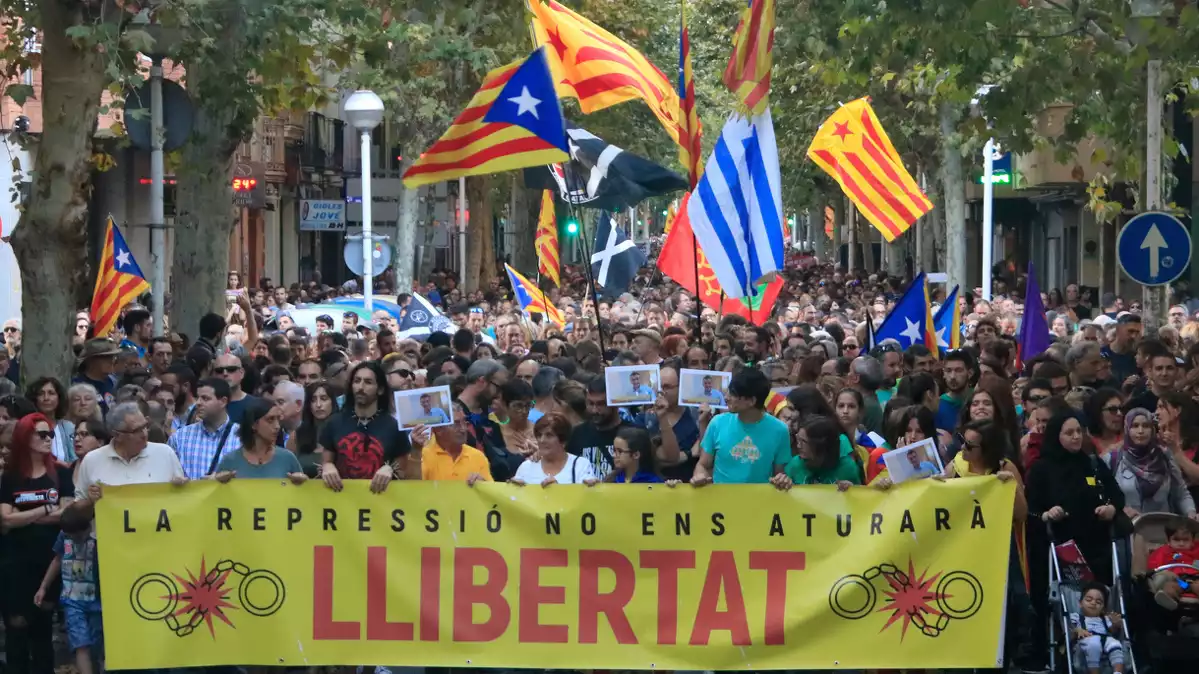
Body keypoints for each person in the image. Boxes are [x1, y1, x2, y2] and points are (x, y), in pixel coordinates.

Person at [0, 414, 75, 674]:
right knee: (16, 628)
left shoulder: (62, 472)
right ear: (25, 437)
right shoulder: (11, 477)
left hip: (49, 560)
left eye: (50, 434)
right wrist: (44, 508)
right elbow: (5, 519)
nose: (47, 439)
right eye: (41, 434)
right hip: (14, 562)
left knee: (43, 628)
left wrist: (25, 516)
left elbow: (64, 514)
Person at [1026, 411, 1123, 585]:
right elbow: (1031, 510)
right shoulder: (1041, 469)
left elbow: (1117, 495)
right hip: (1059, 547)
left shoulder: (1092, 463)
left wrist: (1111, 509)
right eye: (1069, 433)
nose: (1076, 437)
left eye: (1079, 431)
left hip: (1097, 547)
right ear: (1056, 436)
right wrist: (1048, 514)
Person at [318, 361, 411, 493]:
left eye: (368, 382)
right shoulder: (334, 423)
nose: (360, 387)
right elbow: (325, 462)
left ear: (380, 389)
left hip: (380, 504)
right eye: (357, 381)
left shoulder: (393, 426)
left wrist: (390, 469)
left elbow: (403, 472)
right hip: (341, 503)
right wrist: (327, 467)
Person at [689, 368, 789, 485]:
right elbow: (703, 464)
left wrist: (782, 480)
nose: (726, 397)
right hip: (721, 499)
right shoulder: (718, 423)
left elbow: (779, 474)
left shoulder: (780, 430)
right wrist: (699, 476)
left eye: (733, 394)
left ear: (751, 401)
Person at [33, 508, 100, 674]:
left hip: (97, 600)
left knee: (96, 644)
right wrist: (43, 587)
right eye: (69, 536)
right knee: (80, 643)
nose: (74, 539)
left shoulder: (98, 538)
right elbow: (57, 560)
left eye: (77, 536)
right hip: (72, 599)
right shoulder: (64, 536)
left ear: (87, 528)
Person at [1114, 408, 1196, 519]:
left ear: (1153, 429)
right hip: (1126, 532)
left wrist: (1191, 513)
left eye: (1146, 426)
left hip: (1161, 531)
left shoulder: (1164, 456)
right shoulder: (1114, 459)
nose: (1141, 430)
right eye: (1135, 426)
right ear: (1127, 429)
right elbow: (1103, 497)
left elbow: (1181, 494)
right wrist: (1119, 509)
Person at [213, 399, 307, 482]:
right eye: (270, 420)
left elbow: (302, 496)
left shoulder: (287, 458)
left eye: (278, 420)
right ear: (253, 424)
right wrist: (218, 482)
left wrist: (302, 483)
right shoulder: (230, 461)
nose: (277, 426)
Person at [169, 377, 241, 480]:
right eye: (198, 397)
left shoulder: (242, 437)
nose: (198, 403)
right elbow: (166, 474)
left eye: (205, 398)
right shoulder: (180, 437)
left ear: (223, 402)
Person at [566, 377, 629, 480]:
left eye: (601, 404)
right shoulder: (577, 433)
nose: (594, 410)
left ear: (615, 403)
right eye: (590, 403)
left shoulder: (632, 434)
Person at [416, 401, 491, 483]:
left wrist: (484, 484)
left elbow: (491, 493)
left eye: (464, 422)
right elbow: (414, 490)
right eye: (456, 424)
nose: (464, 429)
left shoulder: (478, 457)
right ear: (438, 429)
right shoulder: (422, 457)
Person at [776, 416, 862, 488]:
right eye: (798, 439)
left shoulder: (847, 468)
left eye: (803, 442)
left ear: (820, 445)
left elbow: (859, 500)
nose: (798, 446)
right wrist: (783, 483)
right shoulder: (795, 465)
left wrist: (851, 489)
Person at [514, 414, 598, 486]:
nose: (542, 440)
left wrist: (558, 491)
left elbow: (584, 499)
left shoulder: (580, 465)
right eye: (539, 435)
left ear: (563, 441)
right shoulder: (526, 467)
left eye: (549, 435)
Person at [1068, 583, 1125, 674]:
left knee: (1116, 644)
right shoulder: (1077, 617)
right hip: (1087, 638)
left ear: (1103, 609)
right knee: (1094, 644)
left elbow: (1112, 630)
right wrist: (1078, 630)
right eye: (1089, 600)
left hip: (1105, 639)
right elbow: (1071, 628)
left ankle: (1118, 672)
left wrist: (1116, 624)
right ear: (1080, 603)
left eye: (1098, 602)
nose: (1093, 603)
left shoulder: (1104, 619)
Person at [289, 382, 339, 478]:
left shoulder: (343, 432)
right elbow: (287, 469)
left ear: (332, 402)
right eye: (313, 400)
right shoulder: (297, 435)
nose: (318, 405)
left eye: (324, 399)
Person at [25, 377, 74, 464]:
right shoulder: (26, 427)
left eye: (51, 393)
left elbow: (74, 459)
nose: (46, 398)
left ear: (59, 397)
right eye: (41, 394)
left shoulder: (68, 427)